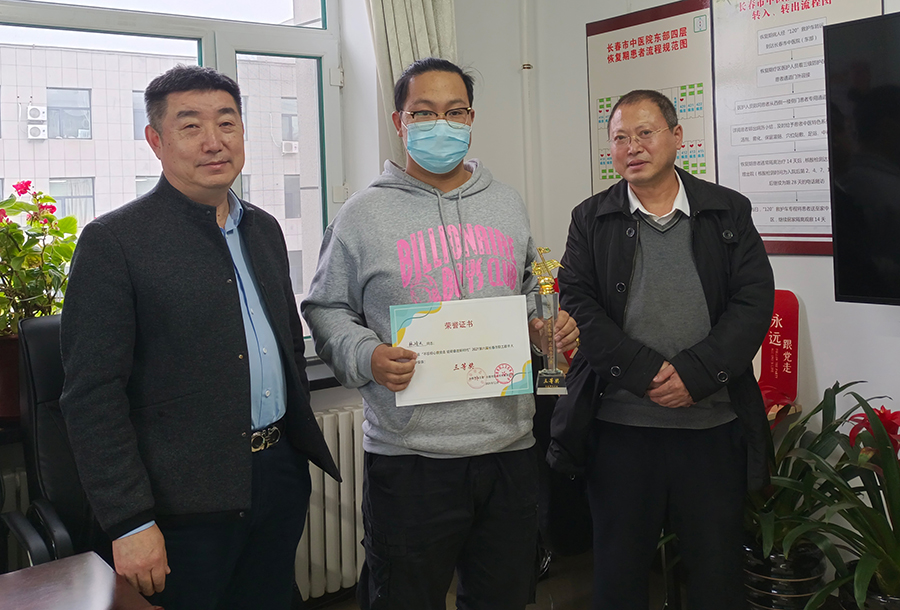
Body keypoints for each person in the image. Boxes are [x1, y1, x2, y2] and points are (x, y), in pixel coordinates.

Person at [301, 57, 578, 610]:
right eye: (423, 113)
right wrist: (367, 354)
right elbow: (325, 307)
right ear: (400, 121)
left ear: (471, 118)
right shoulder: (362, 214)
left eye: (454, 111)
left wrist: (547, 322)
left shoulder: (506, 203)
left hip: (509, 446)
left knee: (503, 597)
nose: (440, 124)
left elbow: (529, 287)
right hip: (411, 457)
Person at [59, 64, 339, 610]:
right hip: (179, 503)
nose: (214, 141)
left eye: (227, 123)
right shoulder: (115, 241)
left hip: (277, 475)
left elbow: (285, 343)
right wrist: (130, 520)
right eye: (190, 126)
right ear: (155, 141)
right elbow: (92, 397)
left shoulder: (263, 229)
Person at [551, 89, 775, 610]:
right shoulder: (591, 218)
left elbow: (752, 302)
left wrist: (695, 374)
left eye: (645, 133)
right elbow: (578, 301)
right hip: (620, 430)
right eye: (620, 138)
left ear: (676, 136)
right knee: (619, 575)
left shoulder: (727, 210)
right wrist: (644, 372)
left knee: (716, 575)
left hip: (711, 427)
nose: (632, 147)